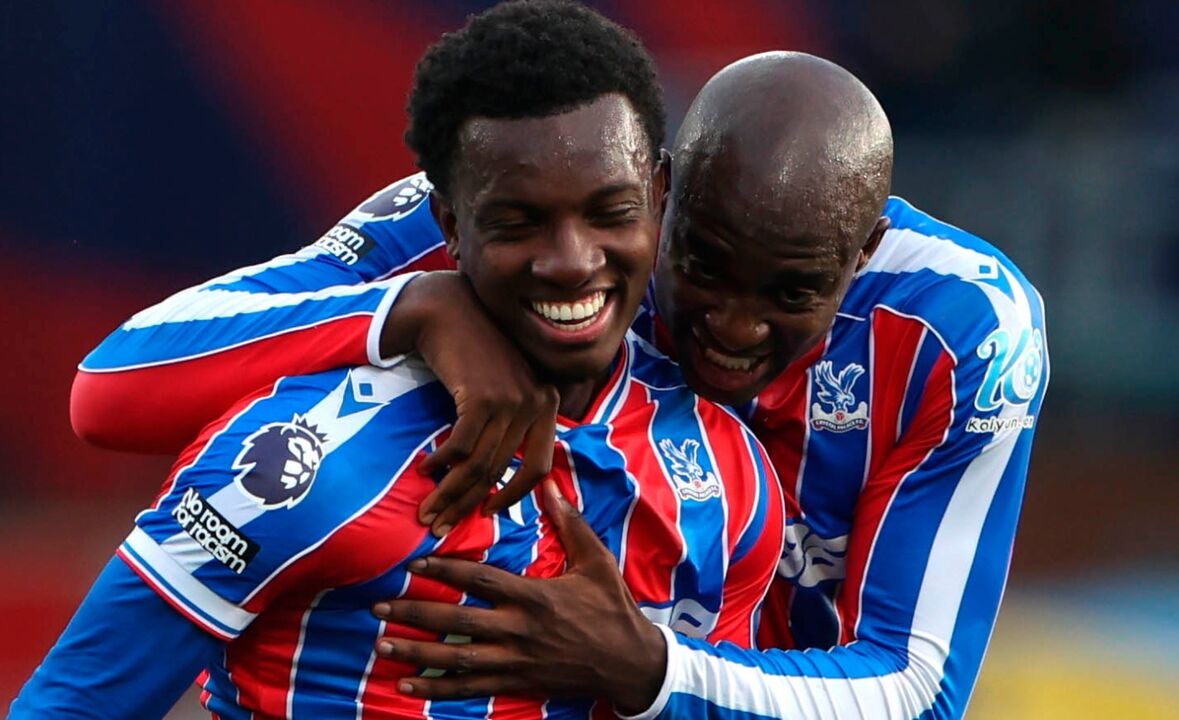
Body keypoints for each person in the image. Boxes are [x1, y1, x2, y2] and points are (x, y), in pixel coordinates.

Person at [65, 39, 1048, 720]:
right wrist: (415, 308)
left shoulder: (967, 334)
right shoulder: (538, 206)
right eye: (702, 266)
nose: (734, 326)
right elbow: (112, 385)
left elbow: (917, 691)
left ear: (863, 254)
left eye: (792, 291)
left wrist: (646, 668)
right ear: (664, 192)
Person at [11, 3, 788, 717]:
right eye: (517, 224)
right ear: (448, 223)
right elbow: (75, 703)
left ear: (658, 194)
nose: (571, 261)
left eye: (609, 213)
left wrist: (644, 672)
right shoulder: (308, 459)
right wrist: (412, 307)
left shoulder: (729, 477)